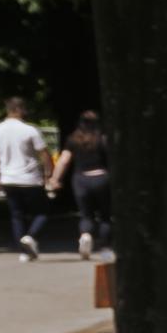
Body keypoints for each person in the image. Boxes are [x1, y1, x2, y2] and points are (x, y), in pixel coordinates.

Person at [0, 98, 53, 257]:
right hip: (30, 179)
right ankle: (30, 236)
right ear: (20, 109)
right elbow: (44, 154)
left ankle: (23, 252)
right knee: (42, 212)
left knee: (16, 215)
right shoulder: (30, 130)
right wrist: (48, 174)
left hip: (8, 179)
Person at [60, 113, 114, 265]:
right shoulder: (103, 139)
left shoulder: (73, 140)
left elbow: (64, 161)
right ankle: (105, 250)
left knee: (86, 214)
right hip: (102, 179)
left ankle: (85, 235)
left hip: (81, 179)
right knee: (105, 216)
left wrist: (55, 179)